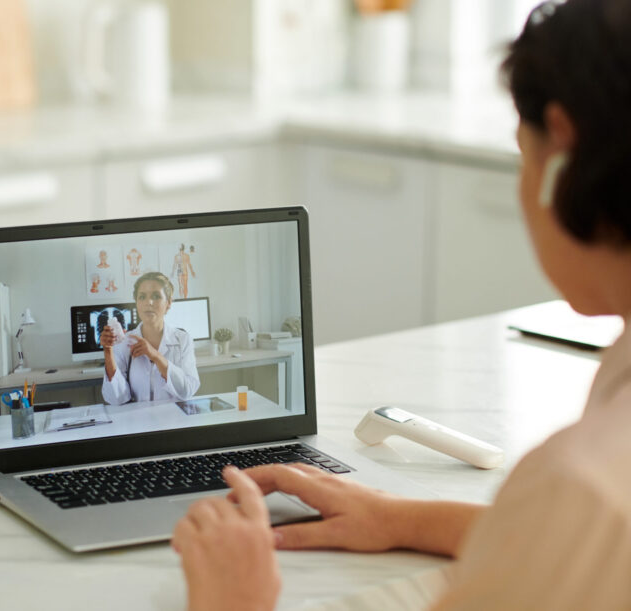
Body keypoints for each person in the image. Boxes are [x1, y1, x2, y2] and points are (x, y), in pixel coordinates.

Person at [171, 1, 631, 609]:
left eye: (524, 154)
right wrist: (399, 519)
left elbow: (572, 526)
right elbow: (557, 547)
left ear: (561, 155)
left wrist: (237, 598)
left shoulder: (582, 487)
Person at [101, 271, 200, 405]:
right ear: (136, 303)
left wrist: (155, 356)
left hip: (175, 420)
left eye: (156, 296)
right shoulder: (124, 342)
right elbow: (116, 399)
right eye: (142, 297)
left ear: (169, 303)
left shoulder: (182, 339)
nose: (149, 302)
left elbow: (187, 390)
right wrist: (108, 351)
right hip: (138, 422)